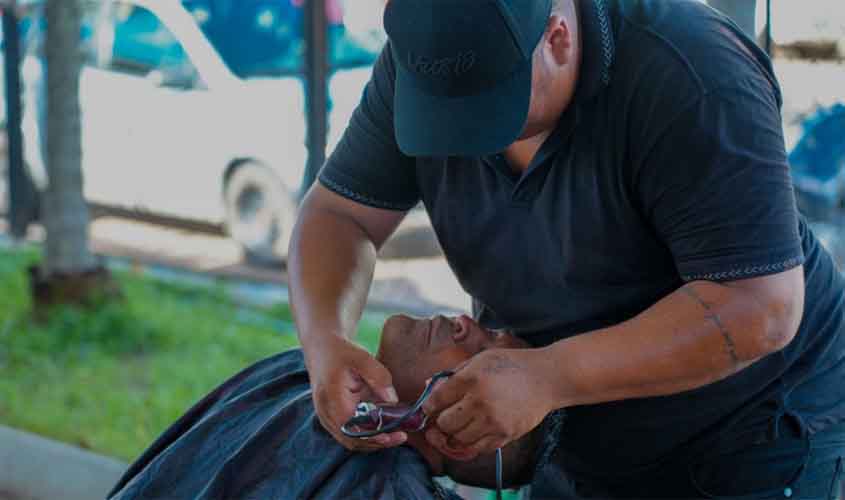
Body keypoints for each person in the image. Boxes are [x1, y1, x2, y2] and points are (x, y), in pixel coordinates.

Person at [288, 0, 845, 497]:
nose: (468, 137)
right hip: (572, 423)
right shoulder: (430, 62)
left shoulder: (692, 74)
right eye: (448, 115)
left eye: (491, 106)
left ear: (557, 37)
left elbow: (761, 307)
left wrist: (552, 376)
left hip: (748, 425)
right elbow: (339, 214)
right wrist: (324, 341)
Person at [107, 314, 559, 499]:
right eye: (486, 328)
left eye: (480, 355)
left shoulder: (392, 490)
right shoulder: (299, 369)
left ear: (458, 435)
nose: (463, 322)